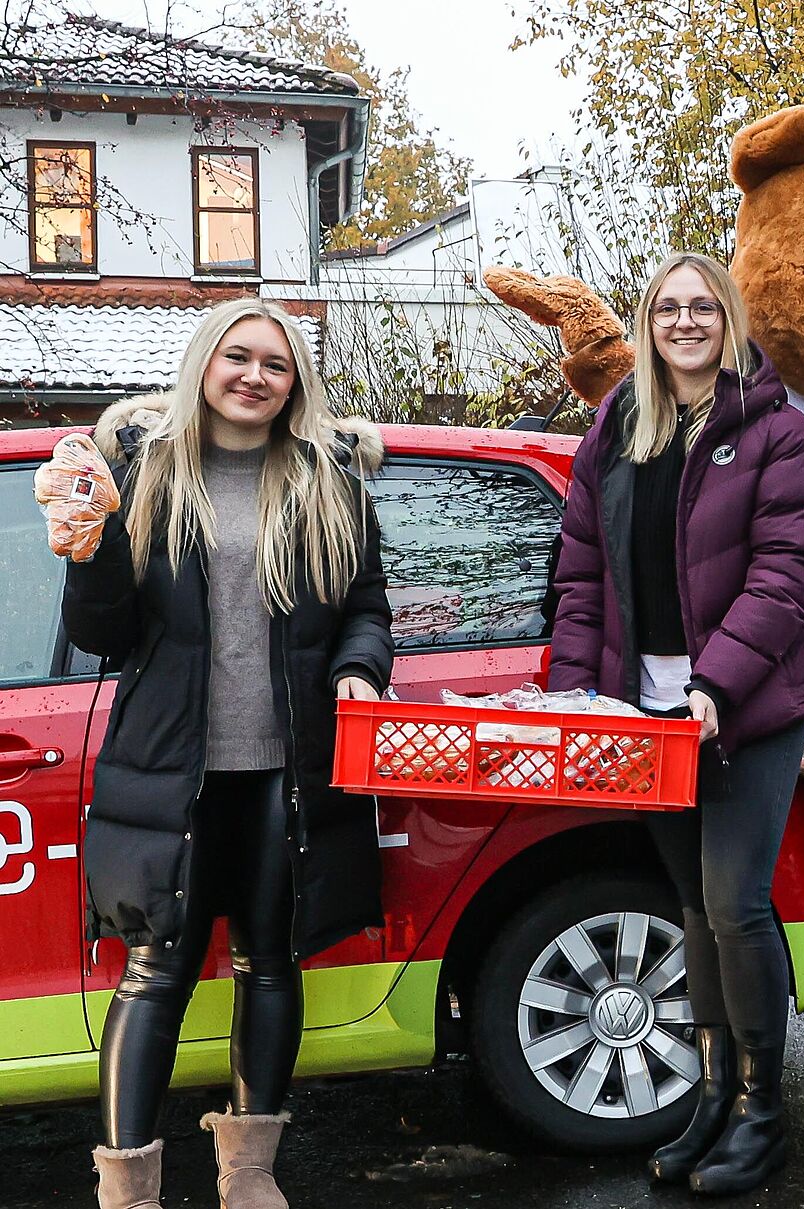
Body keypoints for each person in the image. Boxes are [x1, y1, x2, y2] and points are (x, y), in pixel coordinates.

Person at [63, 298, 394, 1209]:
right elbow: (104, 635)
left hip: (290, 772)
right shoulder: (146, 472)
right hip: (174, 774)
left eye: (275, 365)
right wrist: (85, 552)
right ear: (205, 363)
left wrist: (361, 670)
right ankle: (128, 1187)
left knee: (269, 962)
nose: (254, 376)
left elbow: (365, 604)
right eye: (238, 357)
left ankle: (248, 1176)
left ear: (295, 385)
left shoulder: (329, 479)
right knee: (155, 970)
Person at [547, 252, 804, 1194]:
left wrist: (717, 683)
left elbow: (787, 572)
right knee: (687, 906)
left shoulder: (774, 429)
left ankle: (763, 1110)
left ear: (730, 317)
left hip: (747, 709)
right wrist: (576, 693)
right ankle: (710, 1094)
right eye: (668, 307)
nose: (686, 321)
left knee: (734, 899)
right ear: (648, 322)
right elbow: (584, 570)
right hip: (644, 713)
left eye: (703, 306)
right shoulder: (619, 424)